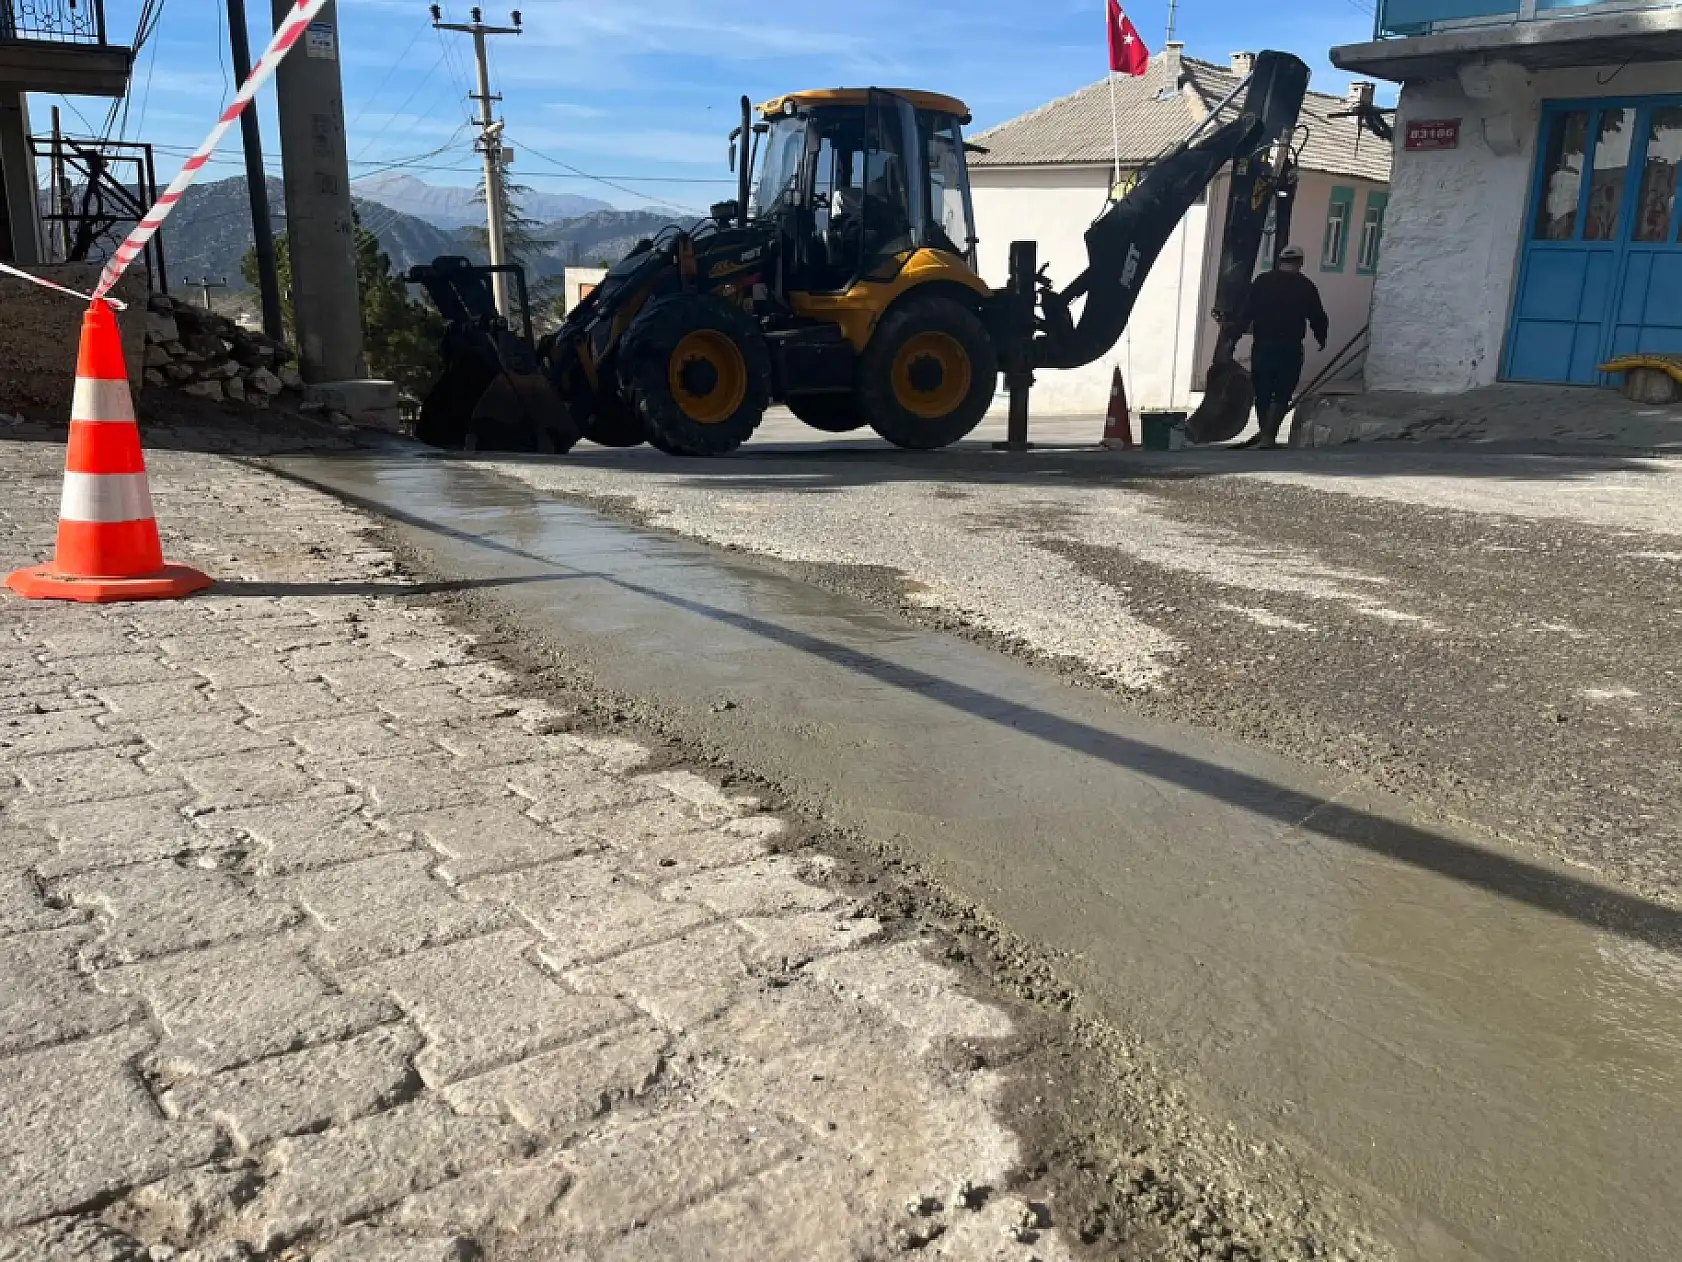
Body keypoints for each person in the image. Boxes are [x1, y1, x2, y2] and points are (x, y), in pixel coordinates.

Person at [1237, 244, 1328, 449]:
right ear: (1300, 263)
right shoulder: (1305, 286)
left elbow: (1246, 311)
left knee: (1262, 392)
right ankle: (1268, 436)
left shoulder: (1262, 282)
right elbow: (1317, 316)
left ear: (1280, 261)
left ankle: (1266, 435)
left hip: (1263, 346)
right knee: (1282, 392)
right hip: (1290, 348)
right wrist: (1321, 338)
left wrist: (1234, 336)